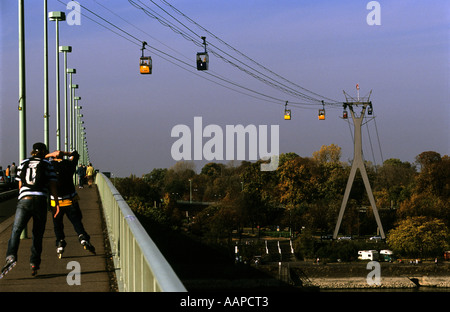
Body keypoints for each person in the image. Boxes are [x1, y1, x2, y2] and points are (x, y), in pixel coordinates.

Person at [0, 143, 59, 278]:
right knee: (37, 234)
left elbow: (20, 184)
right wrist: (56, 204)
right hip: (40, 201)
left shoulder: (24, 162)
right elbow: (53, 185)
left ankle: (11, 256)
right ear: (44, 152)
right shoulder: (47, 164)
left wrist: (22, 198)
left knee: (16, 230)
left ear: (33, 152)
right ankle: (34, 264)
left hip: (25, 199)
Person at [46, 150, 95, 258]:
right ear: (62, 157)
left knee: (57, 224)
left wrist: (51, 154)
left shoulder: (49, 166)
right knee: (77, 221)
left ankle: (60, 242)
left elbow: (40, 158)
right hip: (70, 200)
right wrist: (66, 153)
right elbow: (76, 154)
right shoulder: (69, 165)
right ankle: (82, 238)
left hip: (56, 202)